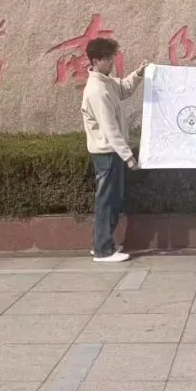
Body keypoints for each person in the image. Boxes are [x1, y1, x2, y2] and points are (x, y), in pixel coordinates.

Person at [81, 38, 148, 263]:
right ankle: (103, 250)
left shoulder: (106, 82)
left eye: (112, 57)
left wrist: (138, 74)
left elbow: (124, 89)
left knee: (111, 200)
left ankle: (102, 244)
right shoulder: (97, 91)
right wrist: (128, 156)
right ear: (95, 60)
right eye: (108, 58)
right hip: (107, 154)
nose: (112, 62)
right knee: (107, 201)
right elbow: (110, 129)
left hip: (110, 153)